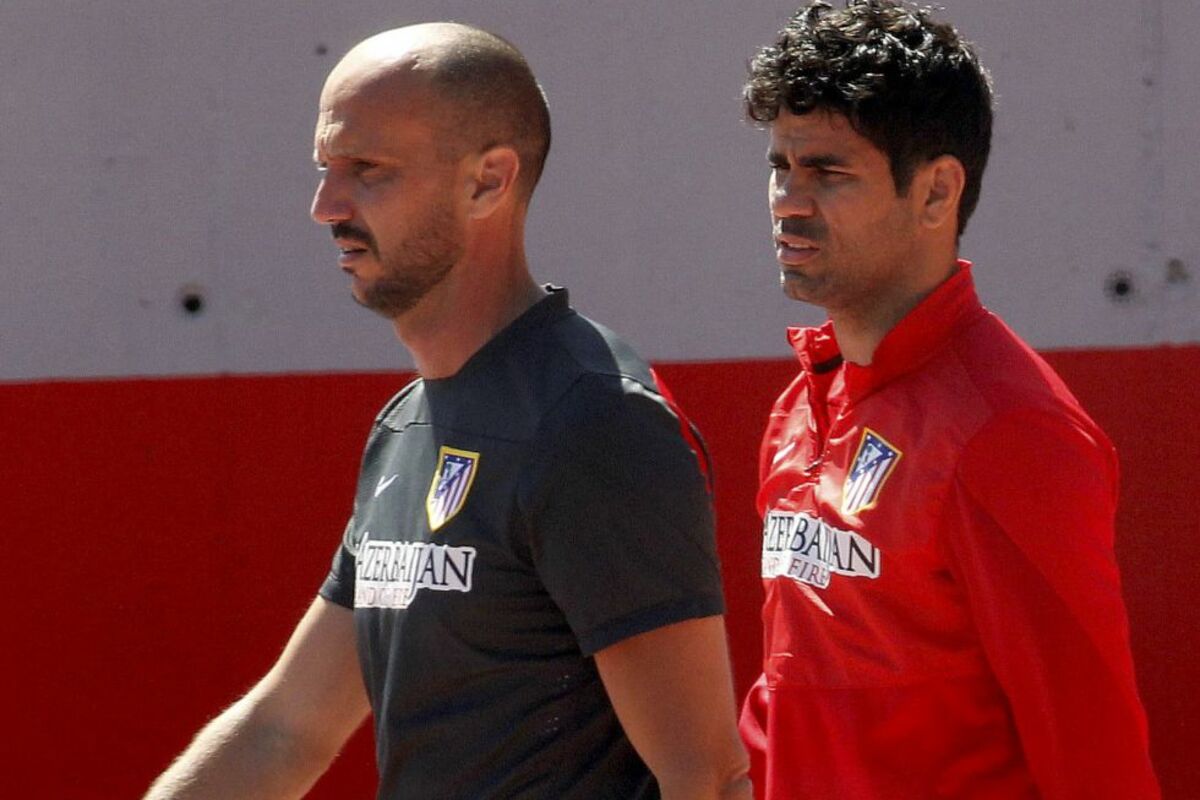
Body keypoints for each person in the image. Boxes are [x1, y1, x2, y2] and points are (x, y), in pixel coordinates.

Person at [145, 23, 750, 800]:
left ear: (487, 182)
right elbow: (284, 731)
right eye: (326, 168)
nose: (325, 206)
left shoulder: (594, 422)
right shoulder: (408, 423)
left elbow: (707, 777)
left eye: (367, 170)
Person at [736, 2, 1160, 798]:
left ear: (936, 192)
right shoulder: (801, 406)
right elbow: (790, 703)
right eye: (779, 165)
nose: (787, 199)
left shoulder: (1008, 431)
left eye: (828, 172)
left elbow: (1095, 757)